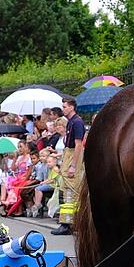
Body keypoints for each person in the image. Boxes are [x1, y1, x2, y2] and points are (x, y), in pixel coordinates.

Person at [52, 98, 85, 236]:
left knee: (72, 191)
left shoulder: (77, 122)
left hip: (73, 155)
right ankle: (67, 222)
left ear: (71, 107)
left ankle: (70, 223)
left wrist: (73, 165)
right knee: (66, 190)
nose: (63, 109)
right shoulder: (71, 122)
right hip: (68, 154)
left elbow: (78, 145)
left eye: (65, 106)